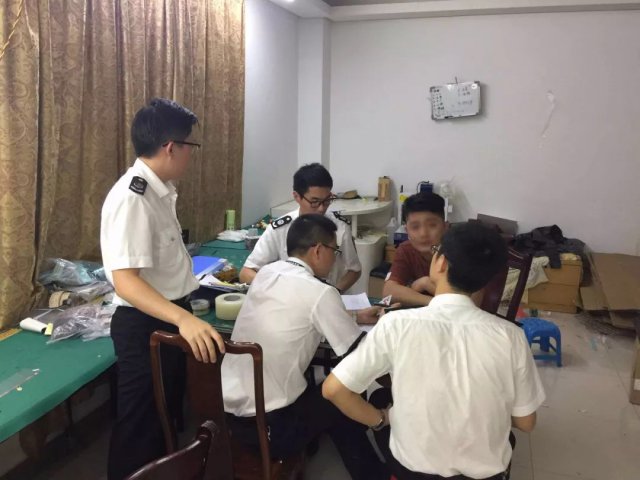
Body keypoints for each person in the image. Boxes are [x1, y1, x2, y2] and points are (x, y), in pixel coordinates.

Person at [323, 222, 546, 480]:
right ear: (488, 278)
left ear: (440, 263)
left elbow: (333, 390)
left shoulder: (396, 324)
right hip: (484, 476)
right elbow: (526, 422)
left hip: (413, 473)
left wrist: (381, 419)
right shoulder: (511, 336)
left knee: (381, 399)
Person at [100, 98, 225, 480]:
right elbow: (126, 281)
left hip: (164, 317)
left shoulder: (159, 191)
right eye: (190, 146)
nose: (191, 154)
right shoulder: (133, 198)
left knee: (163, 418)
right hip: (143, 325)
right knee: (140, 425)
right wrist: (184, 320)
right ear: (171, 147)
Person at [222, 214, 388, 480]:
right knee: (340, 394)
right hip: (271, 428)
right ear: (318, 250)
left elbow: (297, 311)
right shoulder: (320, 292)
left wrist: (355, 316)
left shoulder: (267, 273)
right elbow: (359, 353)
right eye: (334, 251)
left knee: (324, 393)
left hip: (228, 417)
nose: (335, 258)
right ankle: (374, 471)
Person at [239, 163, 361, 293]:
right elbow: (246, 273)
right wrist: (280, 290)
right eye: (314, 202)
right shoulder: (280, 229)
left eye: (326, 201)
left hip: (328, 295)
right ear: (297, 196)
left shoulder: (340, 228)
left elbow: (354, 270)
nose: (321, 208)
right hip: (290, 297)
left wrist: (335, 292)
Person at [382, 192, 447, 306]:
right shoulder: (406, 250)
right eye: (415, 227)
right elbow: (388, 291)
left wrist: (420, 286)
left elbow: (469, 302)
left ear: (445, 227)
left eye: (432, 225)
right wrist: (424, 286)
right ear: (406, 230)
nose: (423, 234)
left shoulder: (459, 251)